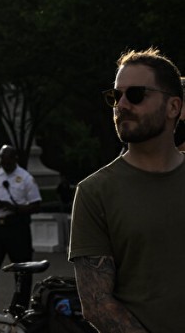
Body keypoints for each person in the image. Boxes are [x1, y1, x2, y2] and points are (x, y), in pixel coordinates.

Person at [69, 47, 185, 333]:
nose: (121, 105)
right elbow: (97, 305)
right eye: (115, 96)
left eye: (135, 95)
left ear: (174, 107)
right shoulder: (94, 192)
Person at [0, 144, 41, 322]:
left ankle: (20, 313)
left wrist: (17, 208)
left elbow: (35, 204)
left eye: (7, 159)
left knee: (23, 271)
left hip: (17, 227)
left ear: (15, 159)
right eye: (2, 159)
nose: (4, 162)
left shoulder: (25, 178)